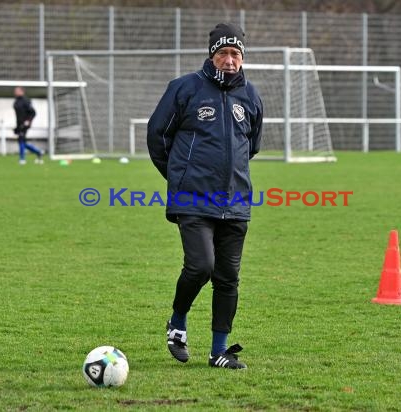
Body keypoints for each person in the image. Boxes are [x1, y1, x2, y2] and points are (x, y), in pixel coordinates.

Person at [147, 22, 263, 369]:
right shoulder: (184, 89)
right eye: (224, 53)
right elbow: (158, 136)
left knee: (228, 278)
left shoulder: (251, 96)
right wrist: (180, 176)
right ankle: (177, 325)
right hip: (193, 199)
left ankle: (219, 351)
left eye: (236, 54)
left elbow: (251, 145)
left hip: (236, 200)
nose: (230, 60)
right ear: (212, 55)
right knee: (200, 266)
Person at [13, 86, 43, 165]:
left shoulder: (26, 101)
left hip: (25, 124)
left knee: (21, 140)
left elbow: (33, 112)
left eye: (17, 90)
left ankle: (22, 159)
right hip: (19, 124)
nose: (15, 92)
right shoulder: (16, 101)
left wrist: (28, 121)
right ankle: (38, 152)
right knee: (22, 141)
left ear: (22, 91)